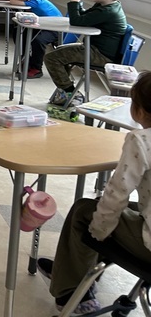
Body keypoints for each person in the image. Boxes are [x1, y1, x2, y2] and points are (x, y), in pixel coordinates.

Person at [37, 71, 151, 315]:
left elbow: (117, 193)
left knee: (85, 211)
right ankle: (69, 269)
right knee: (103, 211)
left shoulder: (141, 140)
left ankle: (70, 291)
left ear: (139, 111)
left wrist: (99, 232)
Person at [46, 0, 128, 108]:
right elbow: (84, 16)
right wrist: (78, 4)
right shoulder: (106, 6)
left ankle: (70, 92)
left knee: (51, 58)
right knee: (60, 51)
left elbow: (77, 21)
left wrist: (74, 1)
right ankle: (66, 91)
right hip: (94, 48)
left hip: (100, 55)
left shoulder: (108, 11)